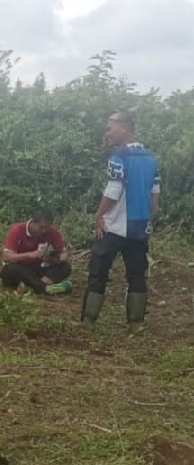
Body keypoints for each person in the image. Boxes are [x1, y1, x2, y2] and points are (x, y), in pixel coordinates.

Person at [82, 111, 160, 328]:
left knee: (98, 271)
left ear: (123, 128)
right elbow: (155, 196)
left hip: (114, 226)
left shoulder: (120, 155)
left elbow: (114, 189)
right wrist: (148, 220)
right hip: (139, 228)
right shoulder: (150, 157)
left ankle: (88, 321)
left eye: (110, 128)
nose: (108, 133)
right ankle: (136, 324)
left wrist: (98, 215)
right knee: (136, 274)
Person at [0, 209, 72, 295]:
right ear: (33, 222)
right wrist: (29, 255)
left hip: (37, 268)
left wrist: (61, 258)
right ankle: (44, 288)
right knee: (10, 270)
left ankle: (36, 285)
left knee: (65, 267)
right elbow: (6, 257)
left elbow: (63, 251)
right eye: (41, 227)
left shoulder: (52, 232)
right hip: (20, 268)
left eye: (47, 227)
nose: (44, 230)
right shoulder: (17, 230)